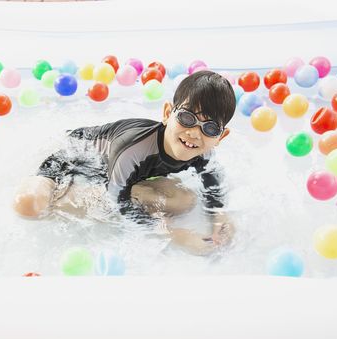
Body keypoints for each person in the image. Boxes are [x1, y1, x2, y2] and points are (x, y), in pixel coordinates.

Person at [13, 70, 236, 255]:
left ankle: (123, 188)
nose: (194, 134)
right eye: (187, 118)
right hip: (73, 159)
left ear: (220, 137)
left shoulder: (202, 152)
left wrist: (220, 217)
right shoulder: (135, 148)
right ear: (168, 113)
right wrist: (173, 234)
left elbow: (213, 185)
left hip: (114, 174)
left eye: (210, 128)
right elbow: (116, 203)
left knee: (184, 201)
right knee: (28, 205)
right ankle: (65, 192)